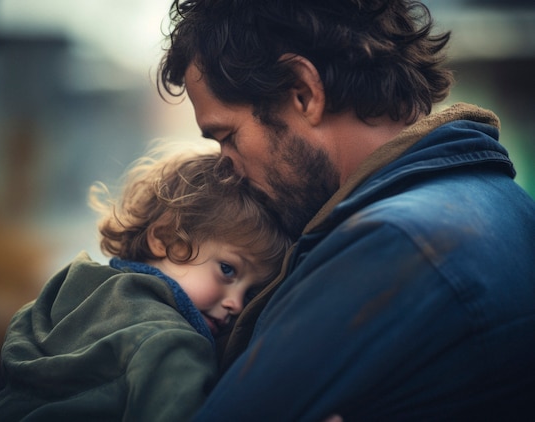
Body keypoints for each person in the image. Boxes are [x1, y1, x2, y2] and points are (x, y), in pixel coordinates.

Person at [157, 0, 535, 420]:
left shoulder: (390, 244)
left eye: (227, 136)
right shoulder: (501, 201)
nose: (227, 168)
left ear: (303, 92)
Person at [0, 140, 291, 421]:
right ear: (165, 238)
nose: (236, 304)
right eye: (228, 270)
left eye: (250, 293)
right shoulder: (167, 340)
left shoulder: (74, 291)